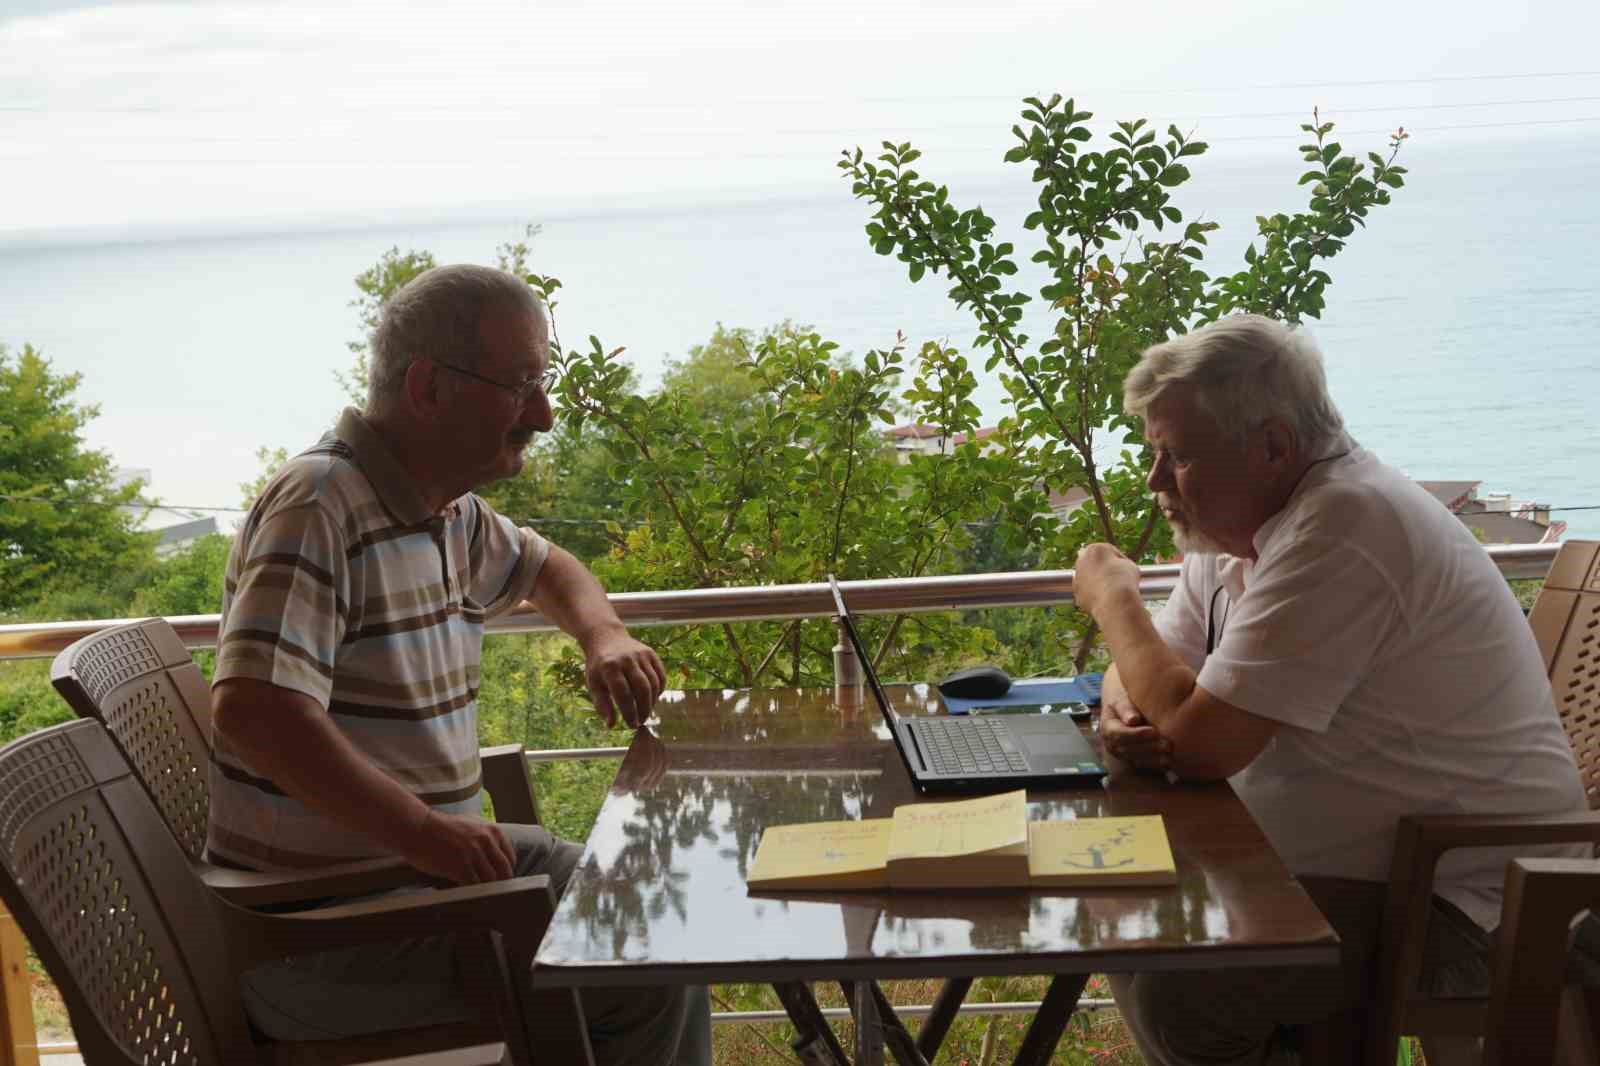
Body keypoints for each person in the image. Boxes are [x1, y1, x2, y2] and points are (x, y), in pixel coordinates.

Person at [207, 264, 710, 1065]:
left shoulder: (439, 507)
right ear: (429, 388)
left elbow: (550, 569)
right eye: (522, 387)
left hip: (423, 888)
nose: (543, 415)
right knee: (647, 960)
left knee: (661, 910)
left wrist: (603, 636)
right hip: (330, 939)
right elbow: (255, 710)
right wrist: (425, 834)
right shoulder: (319, 506)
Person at [1070, 314, 1585, 1064]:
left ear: (1273, 446)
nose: (1154, 483)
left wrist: (1111, 595)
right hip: (1350, 878)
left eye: (1176, 458)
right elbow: (1157, 661)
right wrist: (1124, 704)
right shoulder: (1240, 528)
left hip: (1472, 905)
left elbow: (1197, 740)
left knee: (1178, 983)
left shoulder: (1346, 525)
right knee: (1141, 922)